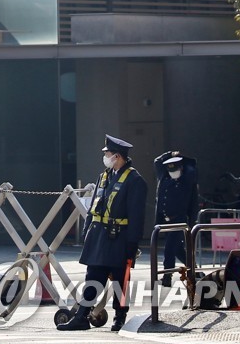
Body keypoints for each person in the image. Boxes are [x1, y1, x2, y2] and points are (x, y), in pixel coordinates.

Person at [58, 134, 146, 333]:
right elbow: (94, 208)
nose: (105, 156)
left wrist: (132, 245)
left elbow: (137, 216)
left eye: (107, 153)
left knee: (120, 281)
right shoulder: (104, 176)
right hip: (99, 237)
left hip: (119, 238)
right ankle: (82, 317)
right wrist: (87, 229)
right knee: (93, 277)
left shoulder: (134, 180)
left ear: (117, 156)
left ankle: (120, 318)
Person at [154, 150, 199, 286]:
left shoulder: (187, 179)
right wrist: (169, 154)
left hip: (179, 219)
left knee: (169, 249)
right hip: (165, 219)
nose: (172, 173)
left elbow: (192, 166)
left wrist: (180, 158)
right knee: (177, 249)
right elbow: (157, 161)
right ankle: (195, 270)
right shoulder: (165, 177)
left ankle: (167, 276)